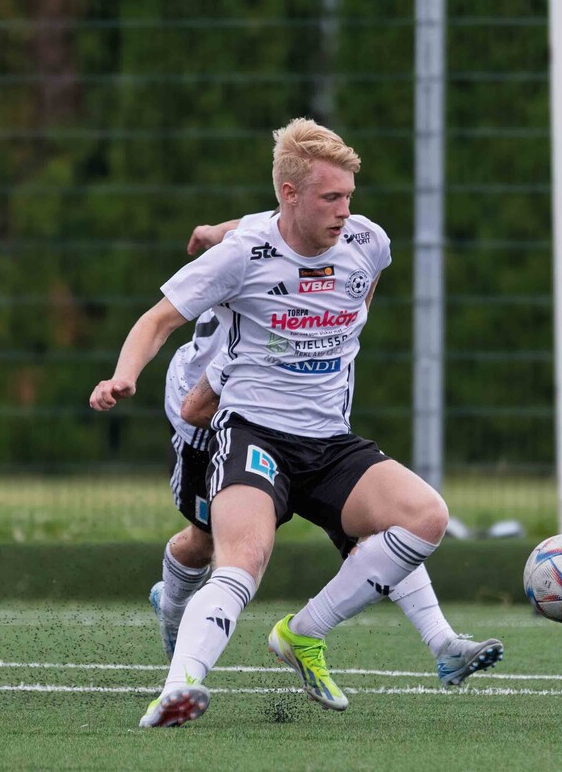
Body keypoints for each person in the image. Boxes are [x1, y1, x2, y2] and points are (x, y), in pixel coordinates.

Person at [91, 117, 461, 728]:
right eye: (330, 197)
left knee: (427, 517)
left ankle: (304, 631)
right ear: (289, 195)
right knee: (240, 556)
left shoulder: (369, 242)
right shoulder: (243, 256)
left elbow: (357, 295)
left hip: (329, 440)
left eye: (349, 196)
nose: (345, 211)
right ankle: (179, 688)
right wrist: (122, 376)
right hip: (252, 432)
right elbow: (158, 320)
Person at [150, 213, 502, 692]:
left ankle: (440, 642)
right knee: (208, 538)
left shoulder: (315, 246)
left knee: (381, 528)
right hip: (209, 412)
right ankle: (174, 614)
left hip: (298, 424)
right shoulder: (249, 272)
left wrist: (213, 231)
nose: (341, 215)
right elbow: (193, 399)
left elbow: (269, 221)